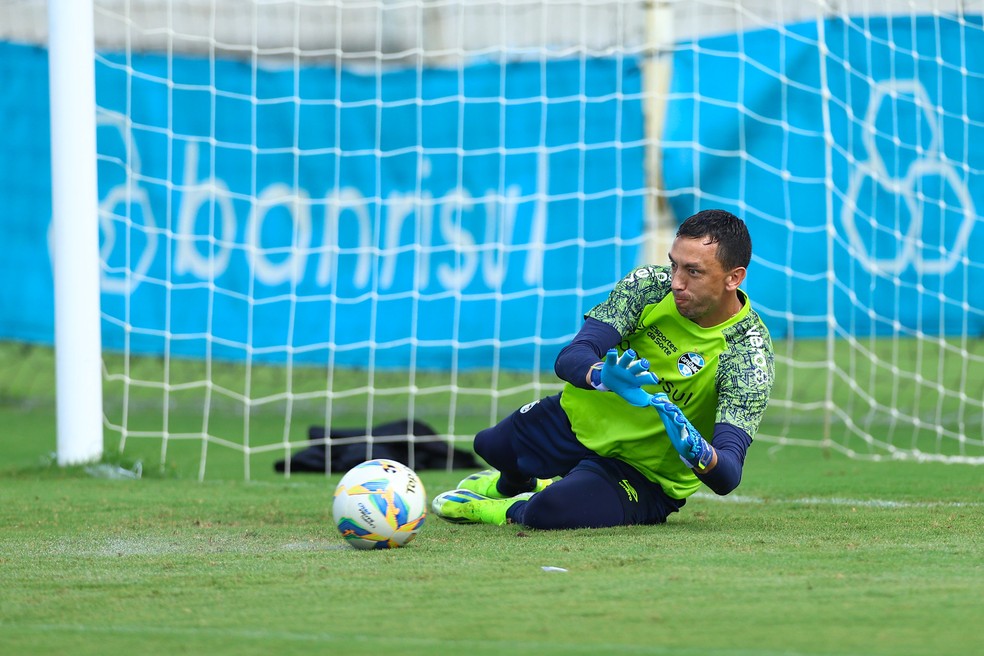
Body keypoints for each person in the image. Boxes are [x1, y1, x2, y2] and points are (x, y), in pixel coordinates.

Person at [431, 209, 775, 529]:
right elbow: (572, 356)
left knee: (547, 511)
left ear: (734, 278)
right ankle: (514, 484)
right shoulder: (648, 286)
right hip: (578, 424)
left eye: (693, 271)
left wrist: (699, 452)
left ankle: (499, 509)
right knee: (490, 445)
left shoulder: (748, 355)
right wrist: (601, 376)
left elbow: (727, 474)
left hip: (642, 474)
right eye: (675, 266)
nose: (676, 282)